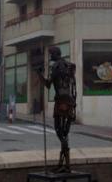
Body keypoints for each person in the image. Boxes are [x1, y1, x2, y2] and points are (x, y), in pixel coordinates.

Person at [36, 46, 76, 174]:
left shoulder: (56, 67)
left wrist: (39, 74)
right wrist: (74, 103)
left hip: (60, 102)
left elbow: (48, 85)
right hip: (70, 101)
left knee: (59, 131)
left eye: (51, 54)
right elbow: (74, 86)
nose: (50, 56)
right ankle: (65, 164)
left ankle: (64, 163)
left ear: (55, 54)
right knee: (64, 132)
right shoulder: (69, 66)